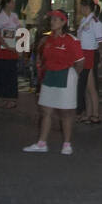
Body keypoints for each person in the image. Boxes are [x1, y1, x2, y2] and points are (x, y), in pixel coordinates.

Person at [24, 10, 84, 155]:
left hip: (66, 75)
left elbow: (80, 62)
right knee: (46, 110)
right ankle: (42, 143)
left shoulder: (71, 40)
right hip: (49, 75)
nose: (53, 22)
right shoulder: (46, 39)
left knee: (66, 112)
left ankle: (67, 143)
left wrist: (73, 76)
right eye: (52, 19)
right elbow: (42, 58)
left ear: (64, 22)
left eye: (57, 20)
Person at [76, 0, 102, 124]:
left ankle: (95, 114)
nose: (80, 9)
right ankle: (89, 113)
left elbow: (101, 41)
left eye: (82, 6)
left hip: (90, 54)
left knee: (91, 86)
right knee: (86, 86)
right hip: (83, 54)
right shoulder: (84, 20)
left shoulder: (95, 22)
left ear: (86, 7)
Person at [0, 0, 20, 109]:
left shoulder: (14, 16)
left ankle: (12, 98)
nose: (14, 4)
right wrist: (6, 45)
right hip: (3, 48)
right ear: (7, 4)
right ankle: (5, 97)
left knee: (12, 74)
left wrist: (17, 44)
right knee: (3, 74)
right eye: (12, 2)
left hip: (13, 48)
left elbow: (18, 31)